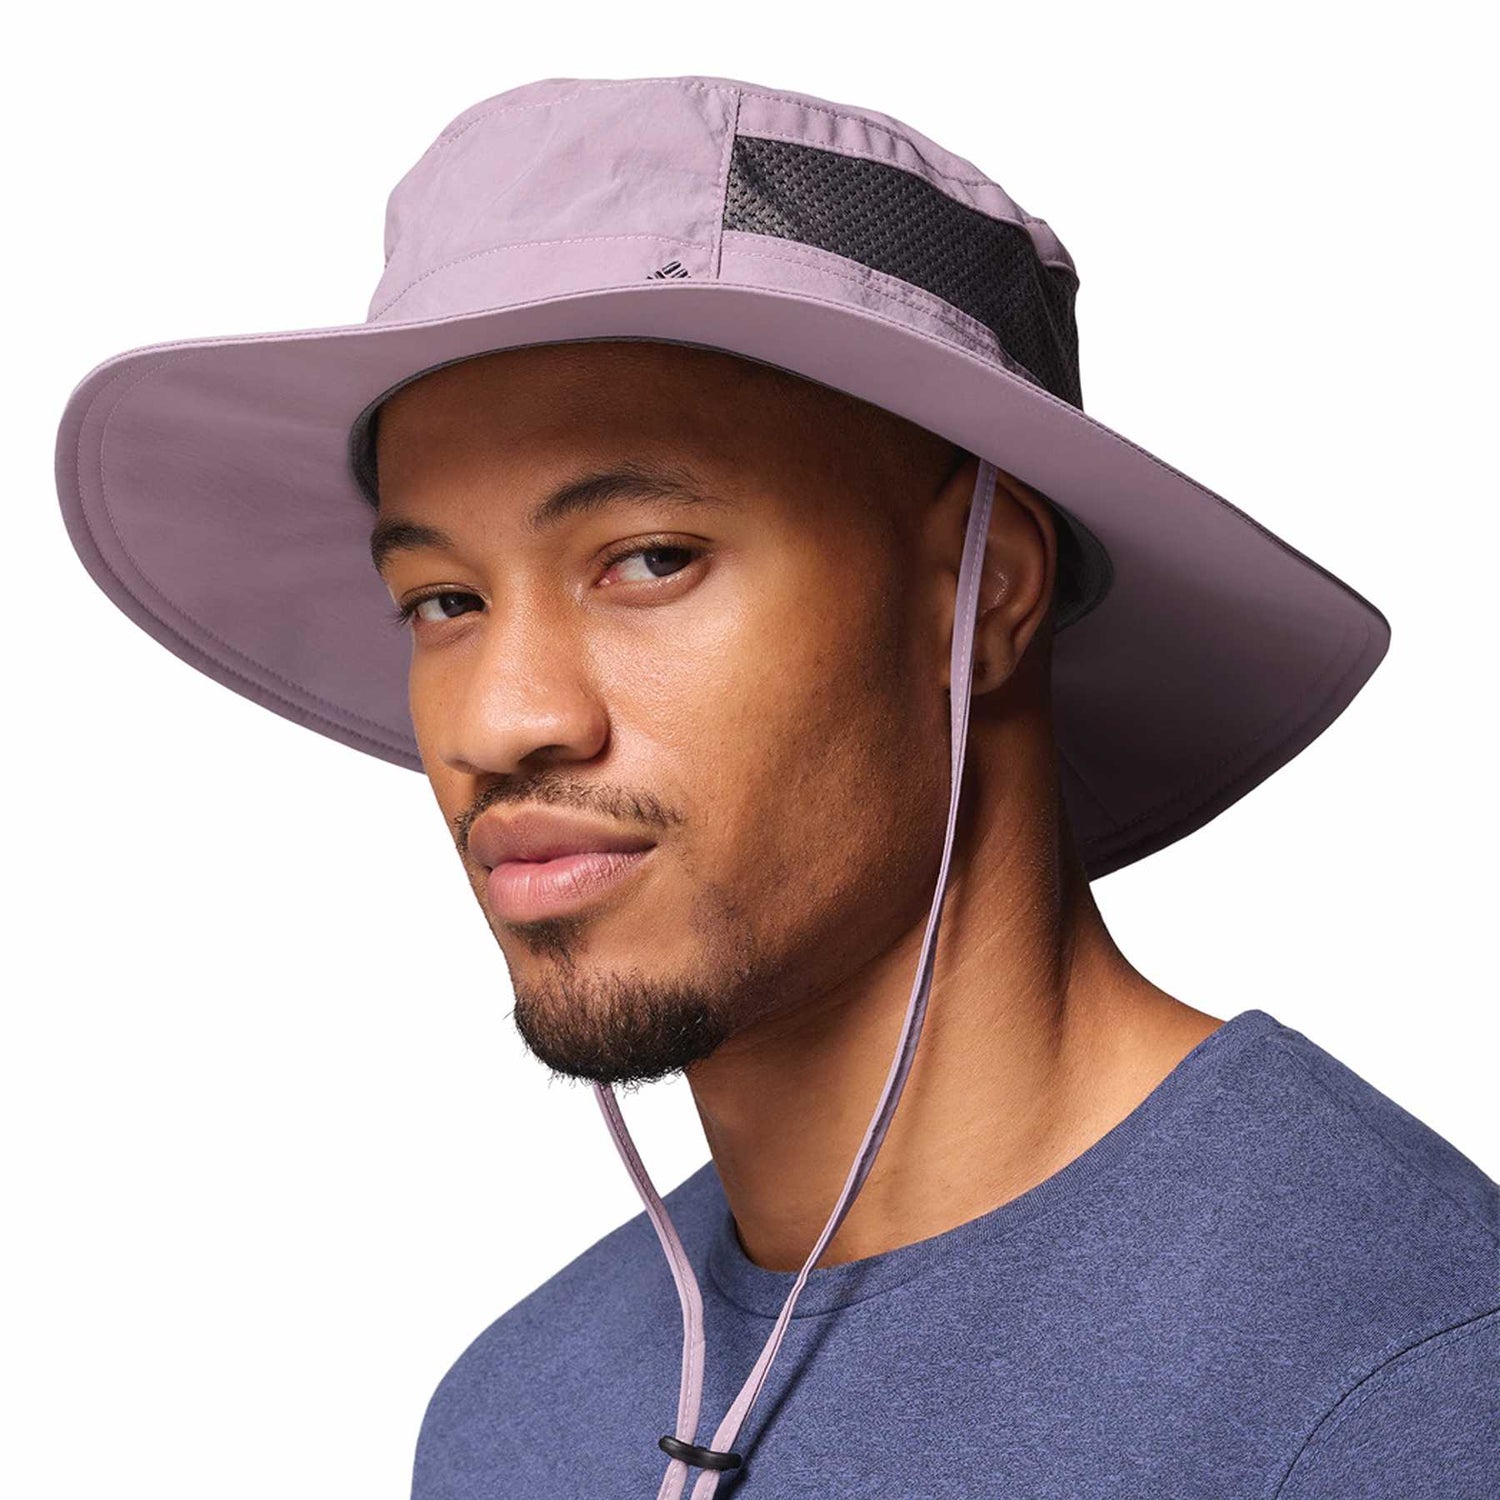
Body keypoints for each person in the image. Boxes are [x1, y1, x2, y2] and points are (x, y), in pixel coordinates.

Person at [55, 75, 1497, 1498]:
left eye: (650, 559)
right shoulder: (516, 1419)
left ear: (984, 591)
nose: (499, 722)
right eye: (443, 600)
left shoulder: (1401, 1388)